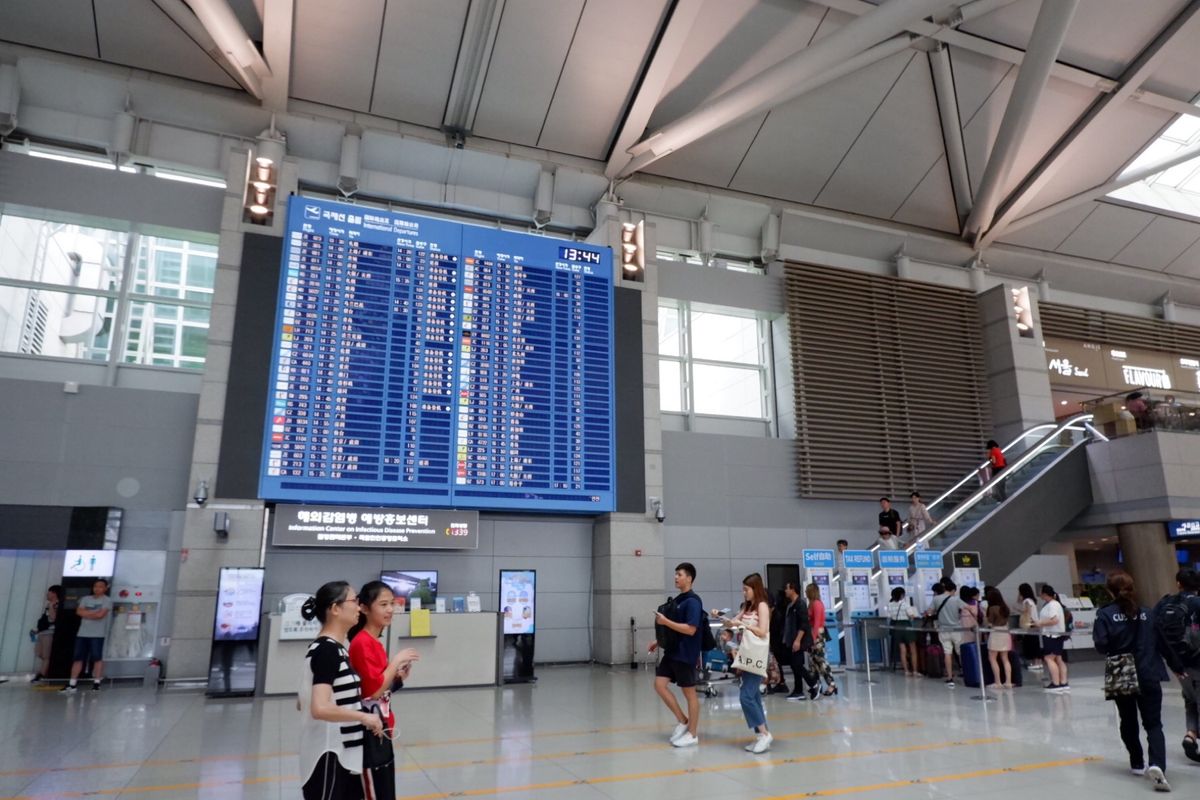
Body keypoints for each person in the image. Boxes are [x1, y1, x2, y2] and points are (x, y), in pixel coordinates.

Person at [299, 581, 385, 800]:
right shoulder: (326, 650)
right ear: (335, 609)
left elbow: (302, 701)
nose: (359, 607)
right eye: (354, 601)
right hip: (328, 756)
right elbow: (319, 708)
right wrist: (363, 717)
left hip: (343, 755)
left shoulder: (335, 649)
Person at [1094, 571, 1171, 793]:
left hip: (1121, 670)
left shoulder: (1105, 615)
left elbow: (1101, 644)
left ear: (1109, 590)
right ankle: (1158, 765)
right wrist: (1177, 666)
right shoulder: (1147, 613)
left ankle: (1137, 762)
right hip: (1148, 669)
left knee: (1127, 720)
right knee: (1154, 723)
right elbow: (1161, 642)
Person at [347, 581, 420, 800]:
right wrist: (396, 661)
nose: (390, 610)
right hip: (370, 731)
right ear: (365, 609)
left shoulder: (374, 642)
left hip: (382, 725)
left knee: (386, 789)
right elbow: (374, 691)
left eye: (392, 604)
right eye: (383, 604)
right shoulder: (362, 643)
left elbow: (380, 687)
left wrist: (397, 678)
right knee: (376, 791)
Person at [649, 562, 703, 748]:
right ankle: (683, 720)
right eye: (675, 574)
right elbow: (674, 627)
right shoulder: (679, 600)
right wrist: (659, 641)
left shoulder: (693, 602)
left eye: (679, 574)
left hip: (685, 654)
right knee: (659, 684)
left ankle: (693, 734)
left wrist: (665, 621)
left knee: (689, 694)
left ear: (689, 578)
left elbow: (690, 629)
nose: (676, 577)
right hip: (672, 651)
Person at [1152, 568, 1200, 765]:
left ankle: (1191, 734)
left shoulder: (1165, 602)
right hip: (1198, 659)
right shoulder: (1197, 603)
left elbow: (1154, 629)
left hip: (1177, 663)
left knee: (1190, 700)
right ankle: (1191, 736)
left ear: (1178, 583)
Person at [722, 573, 772, 753]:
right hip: (747, 654)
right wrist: (724, 619)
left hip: (757, 656)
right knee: (753, 696)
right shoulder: (747, 607)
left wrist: (746, 627)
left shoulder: (762, 606)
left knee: (746, 696)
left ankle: (764, 734)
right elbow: (735, 623)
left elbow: (763, 630)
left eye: (746, 589)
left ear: (755, 588)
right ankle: (761, 734)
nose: (744, 593)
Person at [61, 578, 112, 693]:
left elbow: (100, 615)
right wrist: (94, 612)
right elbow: (79, 612)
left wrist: (87, 613)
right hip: (82, 633)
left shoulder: (107, 600)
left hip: (98, 634)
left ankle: (96, 683)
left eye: (100, 586)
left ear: (105, 588)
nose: (97, 589)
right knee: (78, 658)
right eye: (95, 586)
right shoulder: (85, 599)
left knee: (97, 658)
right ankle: (72, 684)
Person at [1031, 584, 1069, 693]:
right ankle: (1063, 682)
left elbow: (1054, 620)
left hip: (1052, 635)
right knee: (1058, 658)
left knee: (1049, 658)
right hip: (1057, 635)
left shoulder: (1052, 605)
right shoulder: (1055, 604)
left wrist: (1040, 623)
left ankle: (1056, 683)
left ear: (1044, 594)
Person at [782, 581, 816, 700]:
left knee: (797, 665)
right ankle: (798, 690)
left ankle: (813, 684)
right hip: (791, 640)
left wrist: (797, 640)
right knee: (794, 665)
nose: (785, 591)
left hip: (798, 640)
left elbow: (804, 624)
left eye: (787, 588)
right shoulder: (791, 605)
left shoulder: (800, 604)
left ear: (793, 589)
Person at [931, 577, 965, 688]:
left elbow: (929, 611)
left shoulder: (936, 599)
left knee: (947, 652)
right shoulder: (956, 599)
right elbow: (968, 608)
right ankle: (966, 673)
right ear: (953, 590)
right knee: (961, 652)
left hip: (943, 630)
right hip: (956, 629)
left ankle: (950, 677)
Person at [805, 583, 838, 696]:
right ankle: (816, 684)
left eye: (807, 590)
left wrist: (813, 638)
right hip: (813, 635)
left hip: (817, 636)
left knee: (821, 661)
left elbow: (817, 623)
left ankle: (831, 684)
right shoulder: (811, 604)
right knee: (813, 663)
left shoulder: (817, 604)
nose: (805, 592)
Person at [32, 585, 62, 683]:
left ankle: (42, 674)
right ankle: (45, 671)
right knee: (39, 653)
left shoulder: (57, 604)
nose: (47, 594)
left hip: (50, 632)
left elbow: (53, 618)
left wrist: (51, 607)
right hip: (43, 631)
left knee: (46, 655)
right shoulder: (48, 604)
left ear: (54, 593)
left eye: (49, 592)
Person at [885, 587, 918, 676]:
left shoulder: (890, 605)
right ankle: (915, 671)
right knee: (913, 650)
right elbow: (911, 616)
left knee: (902, 650)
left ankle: (906, 671)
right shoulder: (905, 604)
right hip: (906, 626)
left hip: (897, 628)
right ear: (902, 595)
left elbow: (889, 616)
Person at [984, 588, 1013, 689]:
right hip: (1005, 631)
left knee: (992, 658)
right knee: (1005, 658)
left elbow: (990, 622)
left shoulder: (992, 608)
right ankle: (1008, 681)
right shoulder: (1005, 607)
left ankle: (998, 682)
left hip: (995, 632)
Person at [1017, 583, 1043, 671]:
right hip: (1035, 624)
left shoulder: (1026, 601)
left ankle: (1035, 663)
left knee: (1031, 644)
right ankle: (1038, 663)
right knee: (1035, 643)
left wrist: (1017, 608)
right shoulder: (1032, 600)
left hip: (1030, 624)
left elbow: (1026, 611)